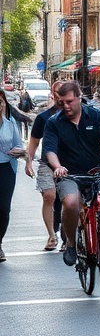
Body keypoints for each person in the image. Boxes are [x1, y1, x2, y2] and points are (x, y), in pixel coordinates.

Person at [42, 80, 100, 267]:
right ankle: (71, 243)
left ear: (79, 98)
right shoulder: (54, 123)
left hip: (95, 172)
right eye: (61, 102)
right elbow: (50, 150)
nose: (65, 106)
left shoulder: (95, 116)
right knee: (71, 203)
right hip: (69, 174)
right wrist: (57, 167)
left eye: (69, 101)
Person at [24, 80, 64, 251]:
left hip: (71, 164)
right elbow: (34, 141)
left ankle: (68, 237)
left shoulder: (74, 114)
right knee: (49, 196)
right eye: (57, 93)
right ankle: (52, 235)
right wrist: (29, 161)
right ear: (53, 95)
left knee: (69, 200)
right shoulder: (44, 117)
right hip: (47, 164)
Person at [0, 89, 28, 262]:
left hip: (7, 169)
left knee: (3, 208)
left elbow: (21, 148)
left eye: (1, 102)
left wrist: (21, 152)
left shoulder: (11, 124)